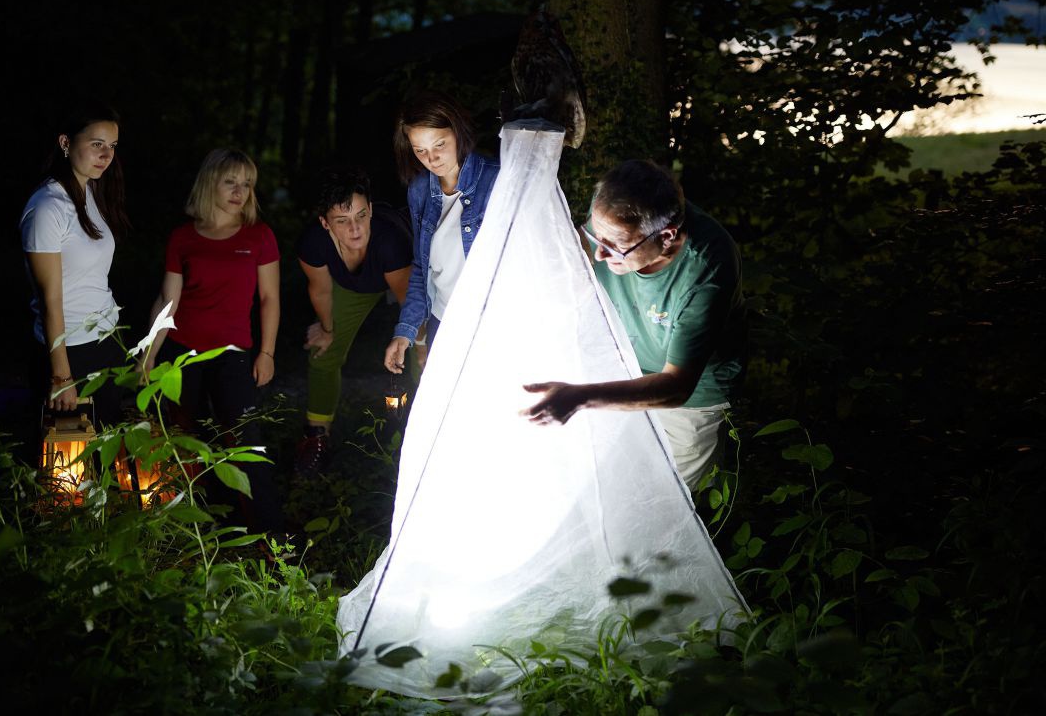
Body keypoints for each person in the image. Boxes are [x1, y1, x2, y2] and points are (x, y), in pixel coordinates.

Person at [521, 159, 746, 491]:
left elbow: (675, 387)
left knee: (674, 497)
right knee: (612, 482)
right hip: (623, 364)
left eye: (614, 246)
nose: (599, 254)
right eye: (595, 235)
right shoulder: (616, 222)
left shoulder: (706, 271)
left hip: (690, 398)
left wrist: (578, 398)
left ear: (667, 236)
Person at [140, 148, 282, 531]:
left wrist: (266, 352)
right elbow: (168, 301)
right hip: (182, 355)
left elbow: (270, 299)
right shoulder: (183, 238)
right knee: (186, 442)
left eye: (247, 184)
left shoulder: (259, 236)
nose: (240, 191)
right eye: (230, 182)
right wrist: (148, 357)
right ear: (210, 183)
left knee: (244, 443)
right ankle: (191, 531)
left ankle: (266, 535)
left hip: (234, 355)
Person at [20, 103, 129, 431]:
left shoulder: (90, 192)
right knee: (71, 462)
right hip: (72, 350)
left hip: (106, 341)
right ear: (66, 143)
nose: (106, 155)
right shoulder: (46, 208)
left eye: (112, 147)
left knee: (108, 447)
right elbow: (50, 300)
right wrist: (62, 375)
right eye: (97, 144)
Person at [297, 168, 414, 469]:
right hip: (353, 287)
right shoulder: (314, 243)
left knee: (422, 352)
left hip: (404, 276)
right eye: (342, 221)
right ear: (325, 223)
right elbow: (321, 291)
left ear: (371, 210)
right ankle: (317, 435)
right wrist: (327, 329)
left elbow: (411, 304)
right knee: (323, 351)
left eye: (362, 216)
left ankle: (417, 432)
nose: (356, 229)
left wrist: (418, 342)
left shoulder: (390, 243)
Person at [383, 91, 500, 375]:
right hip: (442, 322)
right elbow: (422, 268)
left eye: (439, 144)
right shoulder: (420, 191)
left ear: (457, 131)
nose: (432, 158)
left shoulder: (497, 179)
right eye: (420, 150)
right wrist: (406, 331)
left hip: (492, 324)